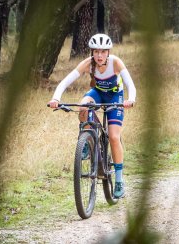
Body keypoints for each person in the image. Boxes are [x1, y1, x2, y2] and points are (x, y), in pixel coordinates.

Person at [48, 33, 136, 198]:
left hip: (115, 97)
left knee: (114, 137)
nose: (99, 55)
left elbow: (130, 84)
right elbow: (65, 82)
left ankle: (118, 181)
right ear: (92, 52)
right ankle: (87, 140)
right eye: (96, 52)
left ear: (108, 52)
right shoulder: (88, 64)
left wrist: (130, 99)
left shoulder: (116, 63)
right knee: (83, 106)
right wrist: (55, 98)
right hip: (98, 93)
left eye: (103, 52)